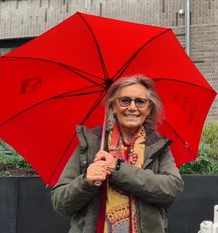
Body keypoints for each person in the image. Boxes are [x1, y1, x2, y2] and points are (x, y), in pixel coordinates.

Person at [51, 74, 184, 232]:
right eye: (125, 100)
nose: (132, 108)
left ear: (149, 109)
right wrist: (86, 182)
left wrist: (117, 168)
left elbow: (171, 190)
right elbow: (60, 203)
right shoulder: (91, 143)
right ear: (113, 106)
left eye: (140, 102)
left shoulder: (158, 146)